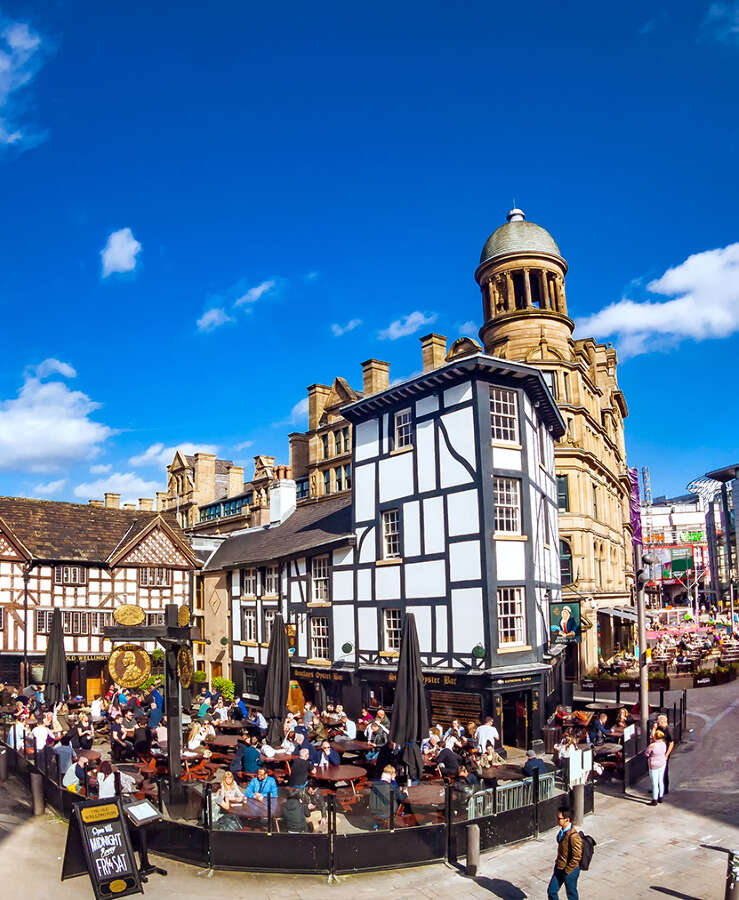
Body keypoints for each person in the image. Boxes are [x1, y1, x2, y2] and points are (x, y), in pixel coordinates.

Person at [547, 806, 582, 899]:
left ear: (567, 819)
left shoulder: (574, 836)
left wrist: (567, 870)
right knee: (551, 891)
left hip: (570, 870)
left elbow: (577, 856)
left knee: (571, 895)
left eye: (559, 818)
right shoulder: (562, 831)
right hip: (559, 866)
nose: (557, 820)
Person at [651, 714, 675, 793]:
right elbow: (652, 737)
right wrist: (654, 728)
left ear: (662, 722)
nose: (657, 723)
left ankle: (665, 788)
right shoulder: (659, 728)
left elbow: (671, 743)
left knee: (664, 770)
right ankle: (656, 787)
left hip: (664, 752)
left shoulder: (668, 730)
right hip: (658, 751)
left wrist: (666, 755)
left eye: (658, 722)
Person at [645, 729, 668, 805]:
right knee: (660, 780)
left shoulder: (652, 745)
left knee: (654, 783)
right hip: (662, 762)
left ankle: (655, 799)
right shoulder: (664, 744)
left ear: (655, 737)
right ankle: (660, 797)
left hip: (654, 765)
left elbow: (647, 754)